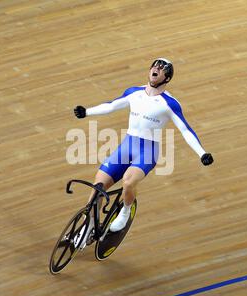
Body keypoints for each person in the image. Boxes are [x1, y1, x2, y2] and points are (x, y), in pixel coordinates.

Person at [73, 58, 214, 245]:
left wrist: (202, 153)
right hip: (126, 147)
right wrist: (87, 112)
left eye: (161, 69)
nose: (156, 69)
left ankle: (124, 212)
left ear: (167, 78)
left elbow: (186, 130)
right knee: (97, 187)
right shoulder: (134, 92)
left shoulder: (169, 103)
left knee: (128, 182)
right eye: (154, 66)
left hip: (146, 153)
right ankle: (87, 226)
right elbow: (111, 105)